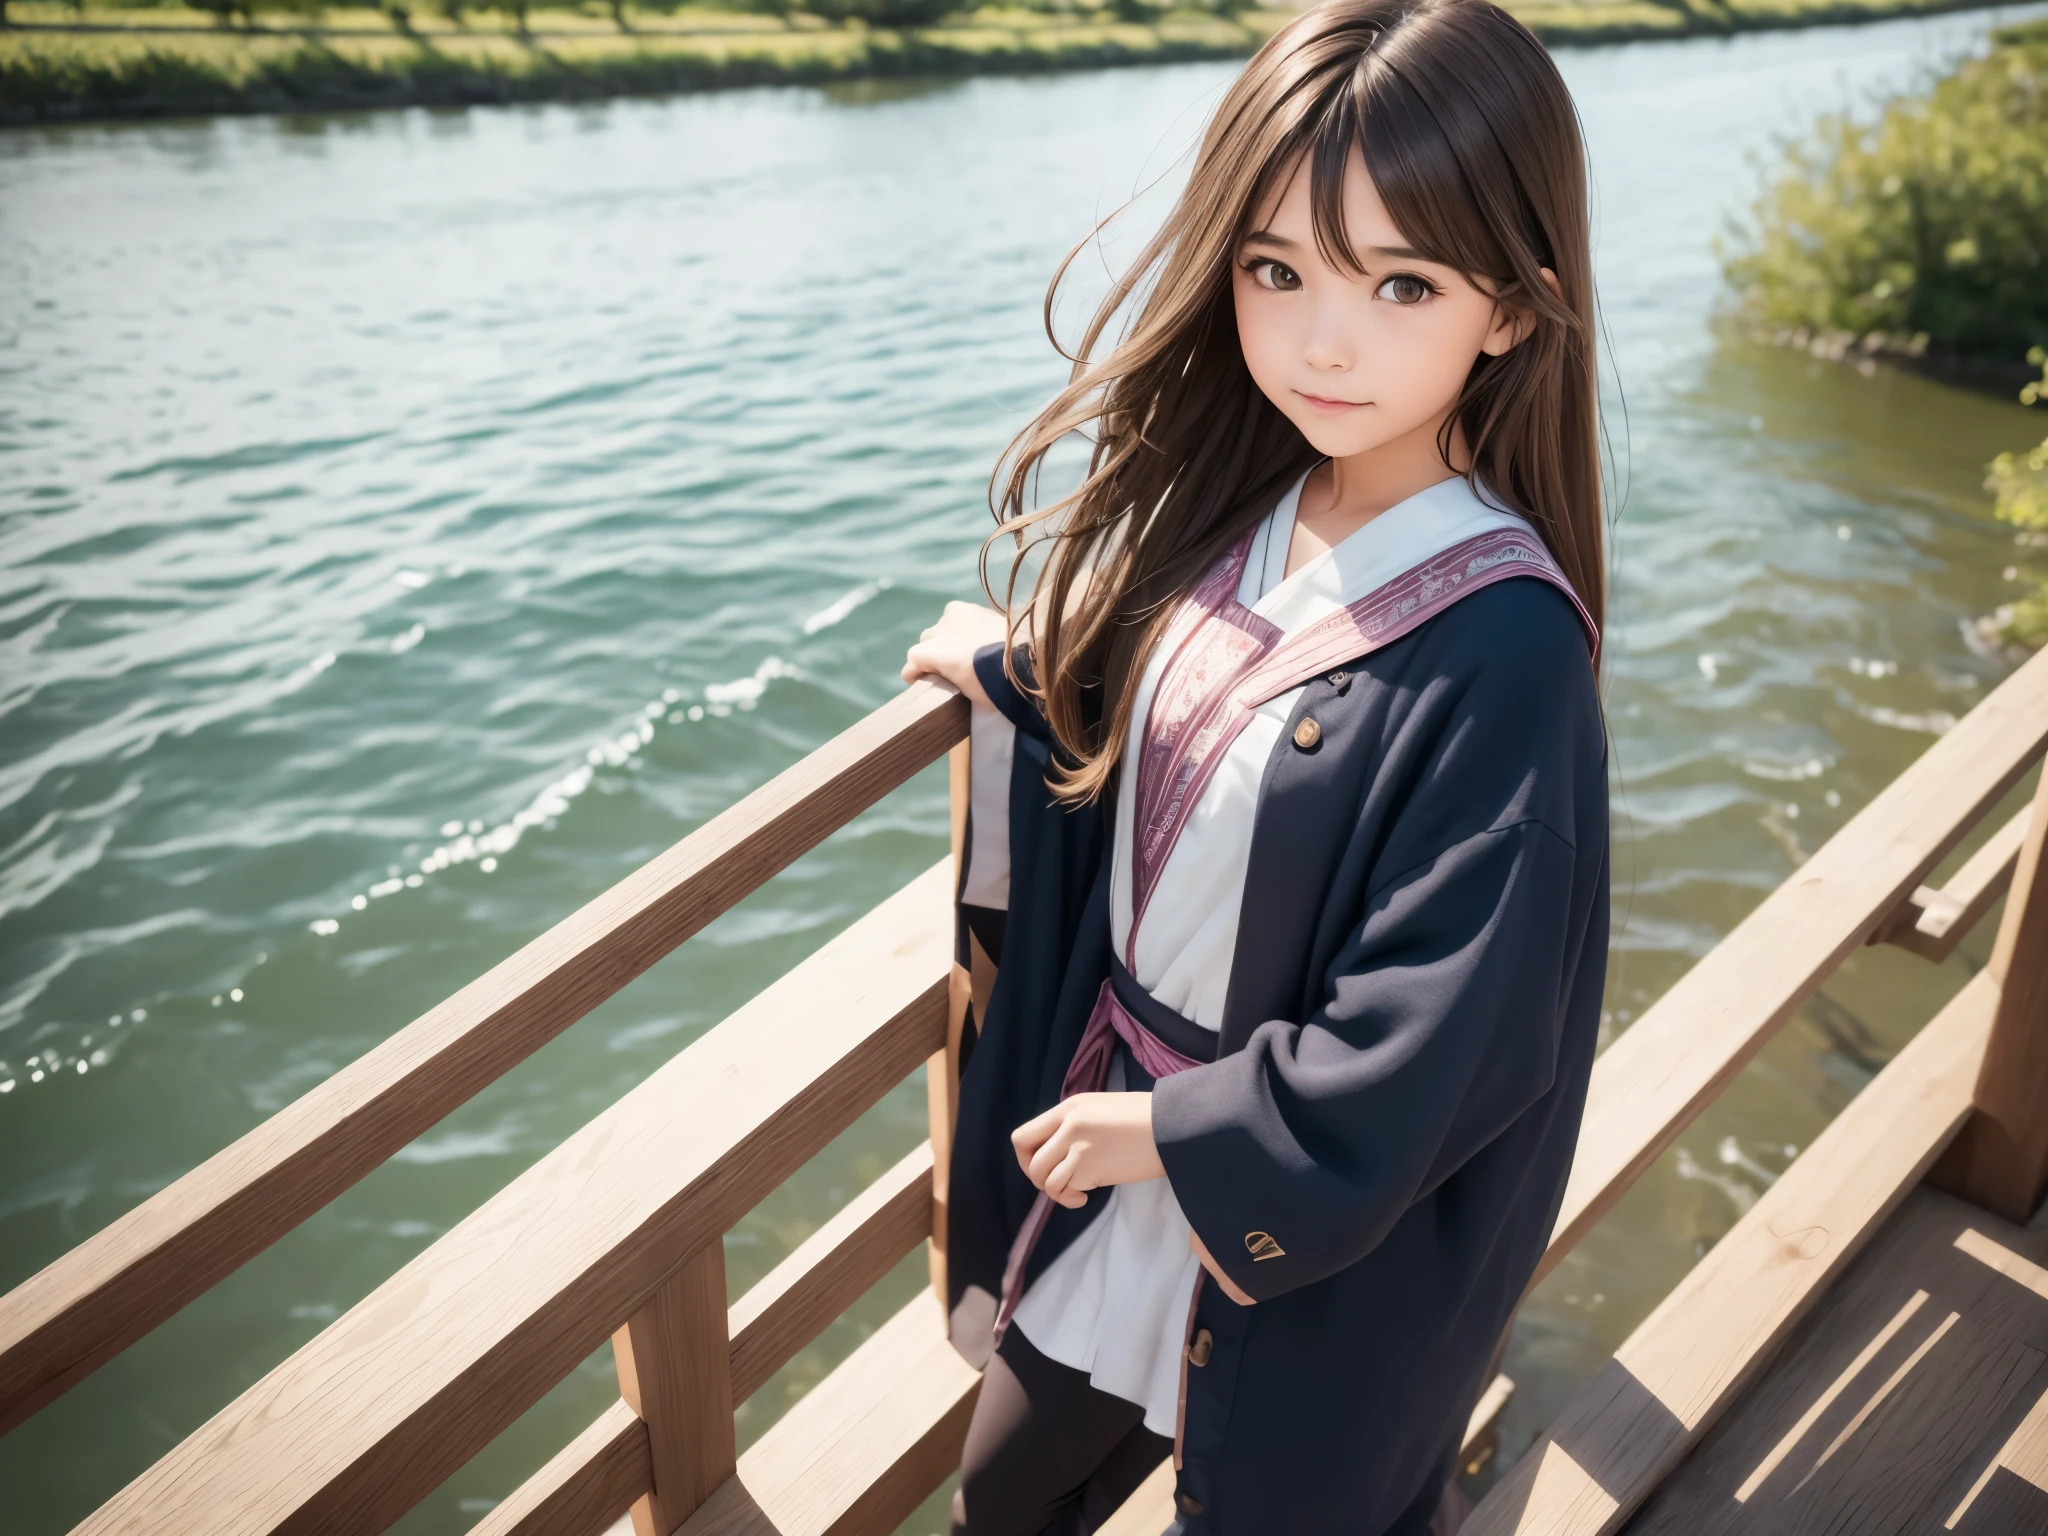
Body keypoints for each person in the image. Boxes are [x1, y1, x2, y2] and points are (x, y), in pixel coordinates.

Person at [900, 2, 1609, 1531]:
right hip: (1132, 1145)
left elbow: (1447, 1026)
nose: (1319, 339)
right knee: (1001, 1493)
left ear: (1512, 311)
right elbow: (1192, 739)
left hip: (1270, 1197)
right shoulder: (1254, 503)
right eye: (1274, 269)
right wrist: (1026, 681)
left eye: (1401, 282)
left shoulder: (1508, 652)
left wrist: (1165, 1133)